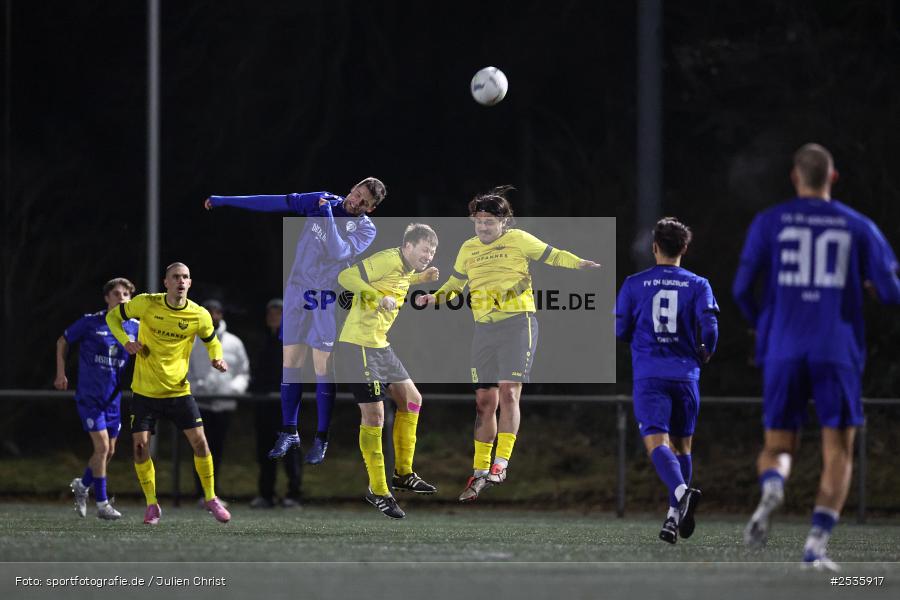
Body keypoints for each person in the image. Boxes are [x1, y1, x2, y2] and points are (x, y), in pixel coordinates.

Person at [733, 143, 900, 570]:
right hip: (836, 349)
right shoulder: (858, 225)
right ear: (833, 177)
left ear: (795, 177)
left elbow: (740, 289)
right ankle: (815, 547)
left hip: (783, 347)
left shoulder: (769, 221)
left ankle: (774, 484)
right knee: (838, 450)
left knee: (777, 444)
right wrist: (870, 287)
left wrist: (763, 325)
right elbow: (891, 291)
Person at [416, 186, 601, 502]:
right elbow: (456, 285)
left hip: (518, 324)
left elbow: (553, 254)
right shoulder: (468, 248)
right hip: (484, 329)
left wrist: (578, 263)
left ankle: (500, 464)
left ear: (504, 222)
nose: (483, 227)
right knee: (484, 402)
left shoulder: (518, 240)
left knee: (509, 392)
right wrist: (434, 298)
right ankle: (479, 471)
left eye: (489, 222)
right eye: (479, 221)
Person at [204, 178, 386, 465]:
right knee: (290, 362)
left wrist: (326, 214)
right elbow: (275, 201)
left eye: (365, 202)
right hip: (297, 291)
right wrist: (225, 199)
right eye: (357, 194)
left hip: (325, 297)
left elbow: (338, 251)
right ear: (352, 188)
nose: (357, 202)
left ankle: (322, 438)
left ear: (371, 209)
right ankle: (290, 430)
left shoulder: (365, 228)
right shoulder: (321, 199)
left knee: (322, 366)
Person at [615, 218, 718, 544]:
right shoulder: (699, 284)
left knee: (657, 444)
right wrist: (706, 351)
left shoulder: (634, 284)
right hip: (686, 375)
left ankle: (681, 494)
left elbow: (620, 330)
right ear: (684, 248)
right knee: (683, 446)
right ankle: (674, 517)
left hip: (650, 375)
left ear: (655, 247)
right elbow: (710, 327)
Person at [106, 262, 232, 525]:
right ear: (166, 282)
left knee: (201, 443)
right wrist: (126, 342)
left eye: (185, 277)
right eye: (175, 277)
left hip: (178, 391)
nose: (181, 281)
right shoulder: (146, 303)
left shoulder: (199, 314)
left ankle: (210, 498)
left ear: (190, 282)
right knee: (140, 448)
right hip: (145, 392)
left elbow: (212, 340)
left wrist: (217, 358)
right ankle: (152, 504)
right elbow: (113, 318)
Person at [337, 223, 441, 519]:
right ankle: (379, 490)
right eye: (425, 250)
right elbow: (346, 277)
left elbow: (396, 282)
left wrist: (420, 278)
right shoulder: (387, 258)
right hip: (358, 345)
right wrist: (375, 297)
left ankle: (403, 474)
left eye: (433, 252)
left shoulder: (405, 268)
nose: (429, 255)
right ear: (408, 246)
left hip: (380, 346)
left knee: (413, 400)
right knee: (375, 417)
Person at [55, 277, 139, 520]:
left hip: (113, 399)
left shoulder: (135, 326)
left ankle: (82, 485)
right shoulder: (91, 322)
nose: (121, 298)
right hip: (90, 396)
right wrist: (60, 373)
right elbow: (63, 340)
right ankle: (102, 504)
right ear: (106, 298)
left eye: (126, 294)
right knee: (101, 448)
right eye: (116, 294)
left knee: (109, 451)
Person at [187, 299, 250, 505]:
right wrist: (197, 387)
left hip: (224, 405)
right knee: (199, 449)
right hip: (199, 404)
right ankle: (202, 494)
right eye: (208, 311)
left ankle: (213, 494)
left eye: (216, 312)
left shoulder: (234, 342)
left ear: (221, 314)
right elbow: (184, 369)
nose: (212, 315)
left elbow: (243, 372)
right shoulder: (191, 340)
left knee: (218, 451)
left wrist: (233, 390)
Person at [250, 298, 303, 508]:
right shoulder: (262, 341)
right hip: (265, 405)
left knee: (290, 451)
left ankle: (294, 495)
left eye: (278, 313)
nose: (273, 317)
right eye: (270, 313)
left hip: (286, 406)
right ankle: (266, 494)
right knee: (265, 450)